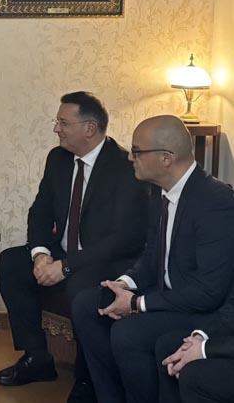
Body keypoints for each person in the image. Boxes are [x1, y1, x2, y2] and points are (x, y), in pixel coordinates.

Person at [0, 91, 149, 402]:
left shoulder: (124, 167)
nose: (57, 129)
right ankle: (37, 357)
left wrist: (65, 267)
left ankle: (88, 378)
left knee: (81, 288)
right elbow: (40, 212)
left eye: (63, 123)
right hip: (62, 252)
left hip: (104, 260)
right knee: (11, 263)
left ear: (90, 128)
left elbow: (123, 238)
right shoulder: (59, 159)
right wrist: (40, 254)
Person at [72, 115, 234, 403]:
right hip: (167, 295)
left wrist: (138, 304)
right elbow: (151, 256)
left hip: (200, 309)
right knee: (88, 304)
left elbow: (209, 292)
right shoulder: (159, 191)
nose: (130, 158)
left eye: (137, 151)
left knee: (128, 333)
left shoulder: (214, 201)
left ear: (166, 158)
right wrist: (124, 284)